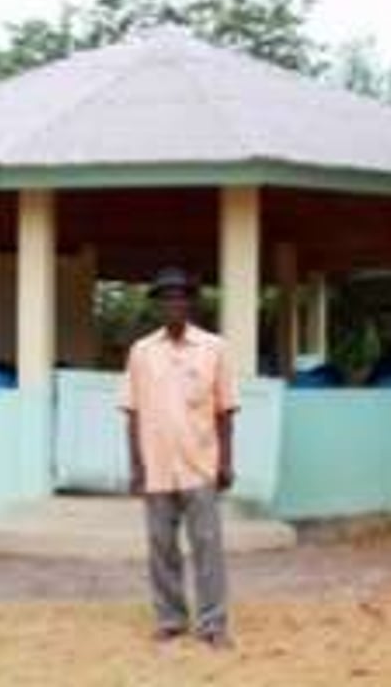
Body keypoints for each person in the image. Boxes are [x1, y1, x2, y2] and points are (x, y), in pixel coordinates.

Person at [119, 266, 239, 650]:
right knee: (161, 547)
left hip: (200, 464)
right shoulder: (141, 352)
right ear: (158, 305)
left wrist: (225, 462)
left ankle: (213, 623)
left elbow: (225, 411)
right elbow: (132, 411)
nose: (174, 304)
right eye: (166, 298)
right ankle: (170, 619)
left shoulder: (214, 348)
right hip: (156, 467)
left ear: (191, 303)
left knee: (207, 547)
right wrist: (135, 467)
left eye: (180, 297)